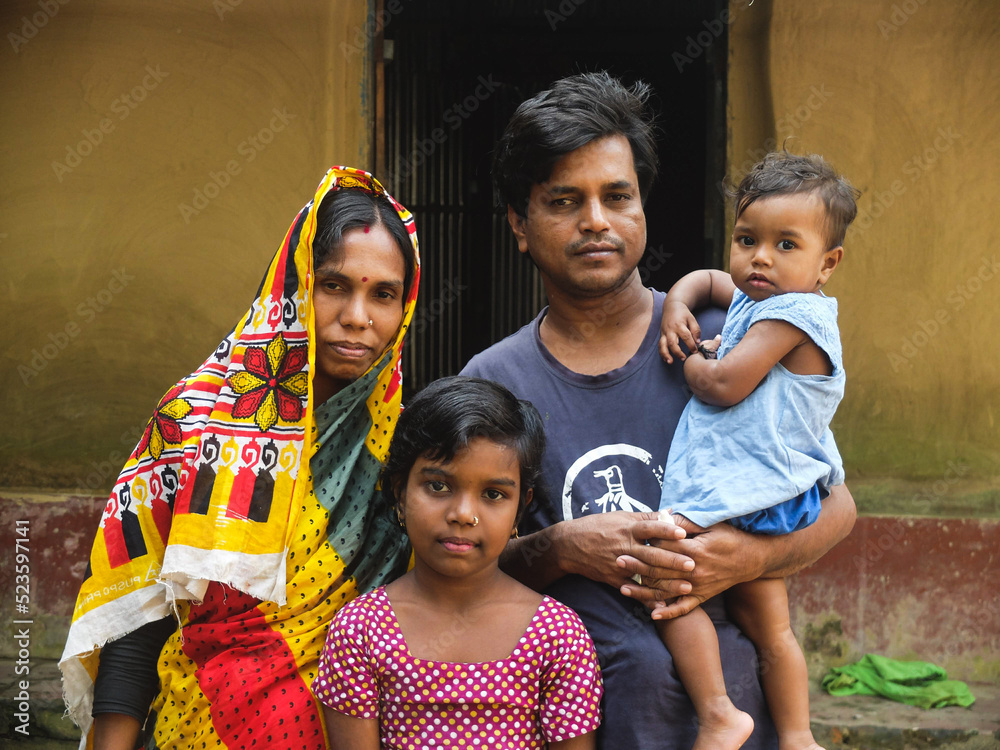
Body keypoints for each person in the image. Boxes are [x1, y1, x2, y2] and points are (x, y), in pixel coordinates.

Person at [461, 71, 857, 749]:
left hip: (745, 715)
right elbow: (462, 568)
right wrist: (561, 547)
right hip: (594, 724)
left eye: (618, 196)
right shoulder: (495, 384)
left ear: (644, 209)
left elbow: (837, 506)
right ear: (520, 226)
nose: (595, 221)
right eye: (564, 200)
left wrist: (748, 558)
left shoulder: (733, 330)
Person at [60, 166, 421, 750]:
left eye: (383, 294)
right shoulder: (195, 419)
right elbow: (139, 614)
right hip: (190, 724)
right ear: (293, 286)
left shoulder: (400, 447)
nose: (359, 316)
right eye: (334, 285)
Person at [655, 151, 859, 750]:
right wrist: (676, 303)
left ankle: (719, 713)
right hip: (762, 486)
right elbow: (709, 282)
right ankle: (798, 738)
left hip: (753, 488)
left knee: (663, 578)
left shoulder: (794, 316)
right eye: (747, 239)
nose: (760, 258)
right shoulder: (757, 295)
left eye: (785, 245)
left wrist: (693, 357)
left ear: (828, 263)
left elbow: (722, 387)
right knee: (771, 630)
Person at [312, 376, 603, 749]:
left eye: (493, 494)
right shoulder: (359, 632)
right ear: (400, 492)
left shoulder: (557, 636)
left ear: (520, 508)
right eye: (438, 486)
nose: (463, 514)